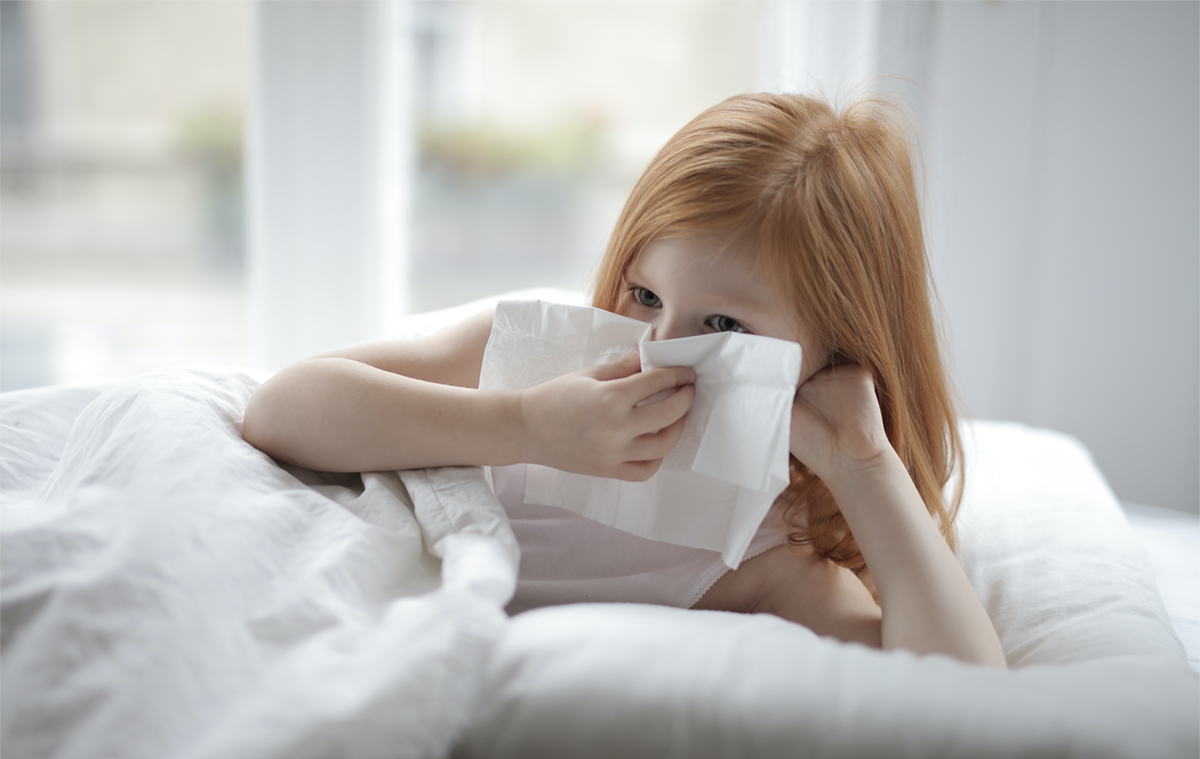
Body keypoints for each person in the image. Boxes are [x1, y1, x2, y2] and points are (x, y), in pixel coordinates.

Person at [243, 92, 1007, 668]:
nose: (656, 350)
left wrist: (864, 468)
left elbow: (960, 701)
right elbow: (282, 410)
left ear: (832, 358)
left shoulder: (768, 561)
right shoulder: (538, 360)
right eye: (644, 296)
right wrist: (523, 426)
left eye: (724, 328)